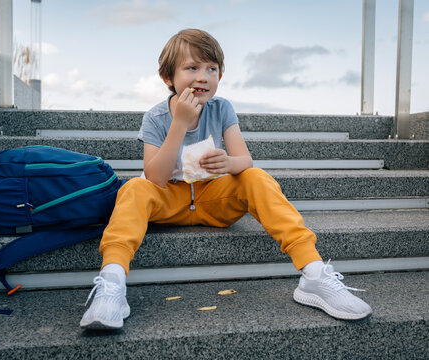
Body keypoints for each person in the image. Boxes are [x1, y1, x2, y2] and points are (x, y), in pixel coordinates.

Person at [80, 29, 372, 330]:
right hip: (168, 201)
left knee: (255, 177)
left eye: (212, 69)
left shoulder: (222, 109)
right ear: (168, 77)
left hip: (212, 199)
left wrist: (228, 162)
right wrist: (178, 125)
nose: (203, 77)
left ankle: (313, 274)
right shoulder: (155, 117)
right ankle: (112, 286)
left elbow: (245, 161)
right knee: (133, 188)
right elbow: (154, 177)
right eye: (192, 68)